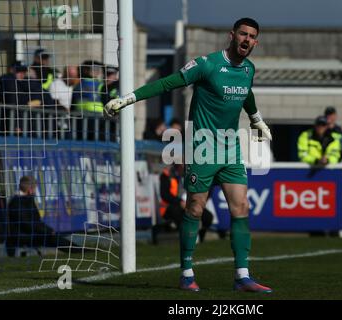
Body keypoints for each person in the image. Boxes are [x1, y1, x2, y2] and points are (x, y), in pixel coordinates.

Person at [104, 18, 272, 293]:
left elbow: (246, 94)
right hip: (202, 147)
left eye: (252, 36)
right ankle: (186, 272)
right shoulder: (206, 64)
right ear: (232, 35)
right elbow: (168, 83)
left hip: (231, 148)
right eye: (243, 33)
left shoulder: (248, 69)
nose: (246, 39)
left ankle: (242, 276)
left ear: (256, 42)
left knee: (241, 207)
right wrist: (128, 99)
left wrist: (256, 119)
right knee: (194, 207)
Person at [6, 176, 83, 257]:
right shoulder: (16, 202)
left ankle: (79, 250)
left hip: (30, 233)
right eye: (35, 188)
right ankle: (79, 251)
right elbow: (27, 224)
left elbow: (36, 221)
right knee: (52, 238)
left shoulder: (27, 199)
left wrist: (48, 230)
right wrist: (47, 231)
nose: (35, 191)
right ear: (30, 189)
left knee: (54, 237)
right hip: (22, 237)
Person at [158, 164, 213, 243]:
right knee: (180, 215)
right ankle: (188, 237)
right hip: (171, 206)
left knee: (207, 217)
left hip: (191, 203)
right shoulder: (167, 175)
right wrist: (180, 202)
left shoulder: (193, 174)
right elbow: (165, 195)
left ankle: (200, 238)